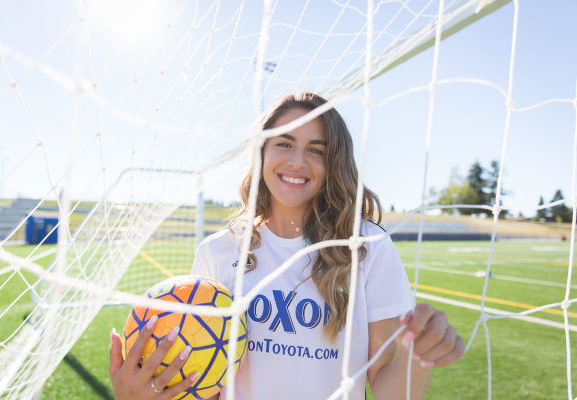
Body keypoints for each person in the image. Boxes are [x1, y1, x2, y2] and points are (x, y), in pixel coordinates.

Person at [109, 92, 464, 399]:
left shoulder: (366, 246)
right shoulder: (217, 251)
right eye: (284, 143)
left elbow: (389, 391)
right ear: (261, 151)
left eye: (316, 150)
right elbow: (207, 382)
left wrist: (414, 355)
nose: (297, 161)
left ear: (334, 163)